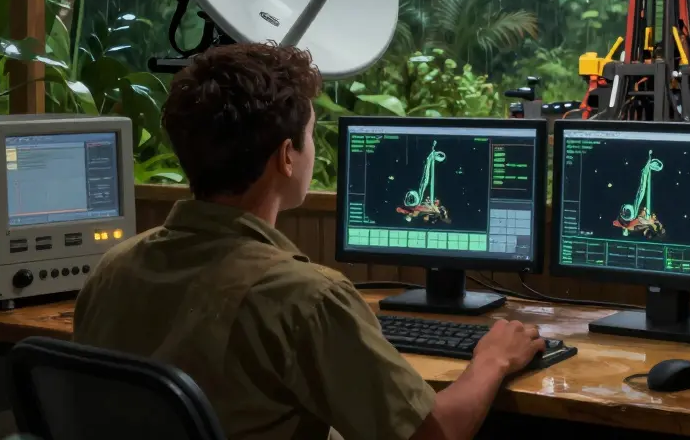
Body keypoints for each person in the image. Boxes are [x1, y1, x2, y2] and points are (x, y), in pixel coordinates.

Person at [74, 43, 545, 440]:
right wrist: (492, 359)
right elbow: (432, 434)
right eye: (311, 135)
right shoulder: (304, 298)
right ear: (286, 157)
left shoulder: (112, 270)